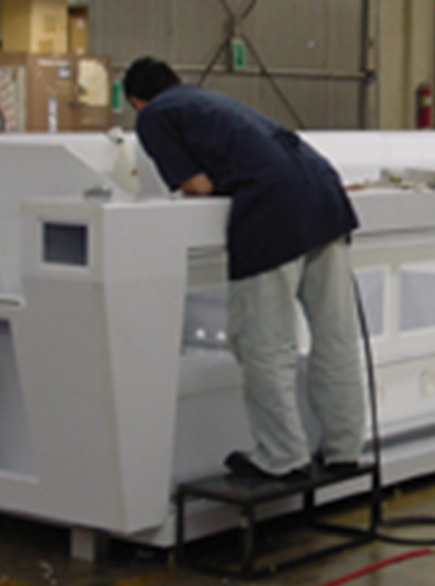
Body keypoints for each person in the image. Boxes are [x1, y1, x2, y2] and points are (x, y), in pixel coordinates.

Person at [123, 57, 366, 480]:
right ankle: (345, 449)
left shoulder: (155, 116)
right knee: (336, 335)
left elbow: (197, 186)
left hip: (273, 211)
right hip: (325, 195)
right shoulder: (207, 101)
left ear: (135, 101)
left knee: (264, 343)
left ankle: (282, 457)